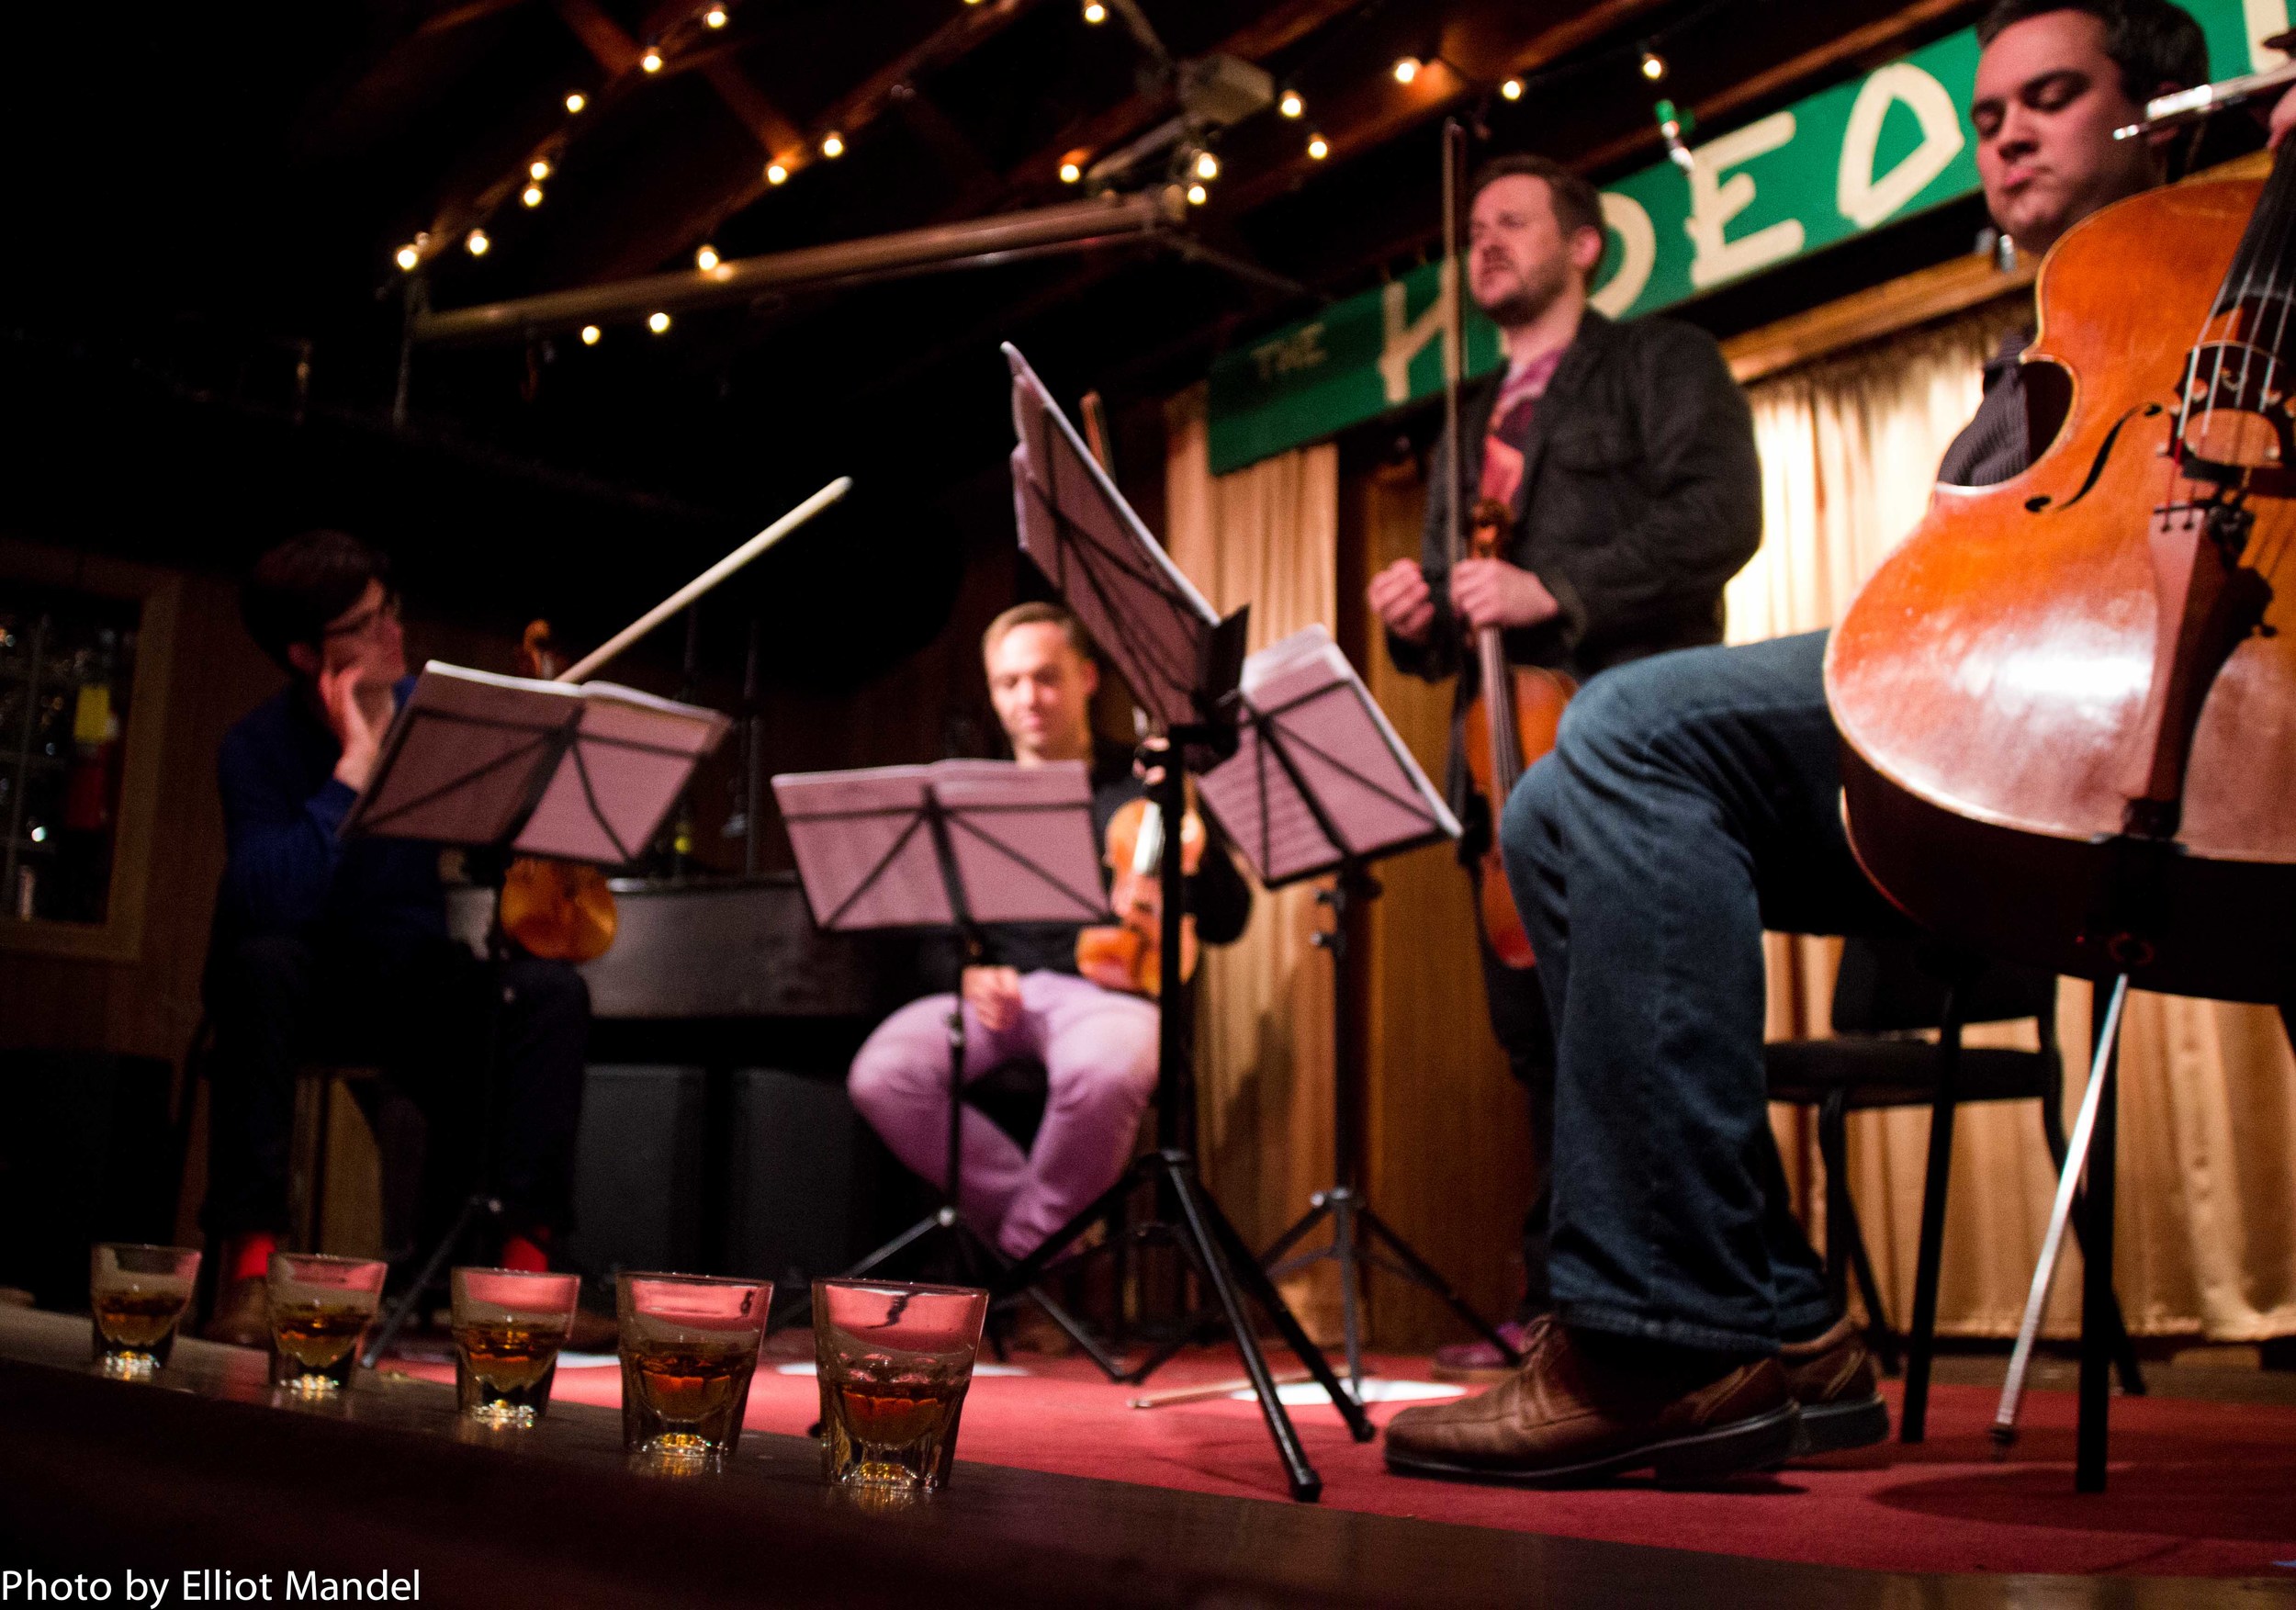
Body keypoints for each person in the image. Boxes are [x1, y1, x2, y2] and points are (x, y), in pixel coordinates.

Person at [1382, 0, 2208, 1484]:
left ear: (2163, 100)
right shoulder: (2049, 328)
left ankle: (1658, 1336)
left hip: (2106, 696)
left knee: (1625, 730)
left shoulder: (2220, 253)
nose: (2006, 132)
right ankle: (1770, 1312)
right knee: (1559, 805)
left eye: (2052, 95)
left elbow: (1724, 526)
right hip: (1978, 696)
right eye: (1988, 111)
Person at [1365, 152, 1764, 1370]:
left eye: (1510, 222)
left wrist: (1560, 588)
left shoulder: (1661, 363)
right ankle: (1566, 1311)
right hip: (1497, 774)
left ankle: (1694, 1318)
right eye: (1471, 226)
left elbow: (1718, 521)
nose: (1480, 242)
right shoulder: (1463, 430)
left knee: (1639, 1028)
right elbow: (1455, 620)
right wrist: (1417, 612)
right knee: (1538, 1046)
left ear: (1583, 245)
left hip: (1631, 743)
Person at [200, 531, 591, 1345]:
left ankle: (520, 1275)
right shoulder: (255, 746)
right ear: (308, 654)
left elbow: (487, 844)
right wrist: (355, 768)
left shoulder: (427, 709)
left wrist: (525, 778)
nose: (393, 631)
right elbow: (266, 897)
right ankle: (247, 1269)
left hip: (404, 974)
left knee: (548, 996)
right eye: (366, 622)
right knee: (258, 965)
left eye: (391, 610)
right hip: (305, 984)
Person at [846, 602, 1251, 1262]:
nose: (1027, 697)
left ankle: (1027, 1265)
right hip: (1000, 996)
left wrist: (1188, 829)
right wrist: (968, 973)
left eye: (1046, 677)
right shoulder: (972, 796)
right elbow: (936, 932)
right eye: (1008, 683)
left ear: (1087, 677)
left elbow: (1229, 920)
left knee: (1108, 1068)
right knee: (882, 1073)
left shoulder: (1144, 784)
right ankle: (1050, 1251)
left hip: (1110, 995)